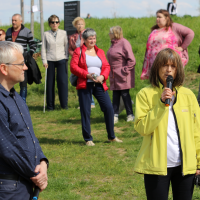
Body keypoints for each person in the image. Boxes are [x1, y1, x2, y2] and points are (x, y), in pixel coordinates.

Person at [134, 48, 200, 200]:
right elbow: (143, 128)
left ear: (178, 70)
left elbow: (197, 131)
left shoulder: (188, 95)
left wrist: (198, 163)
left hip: (185, 168)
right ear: (157, 67)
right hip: (156, 168)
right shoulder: (145, 94)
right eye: (164, 65)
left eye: (173, 66)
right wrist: (161, 103)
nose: (168, 70)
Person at [0, 41, 48, 199]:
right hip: (9, 188)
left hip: (25, 182)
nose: (26, 67)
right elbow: (7, 148)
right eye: (21, 64)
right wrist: (34, 174)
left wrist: (42, 162)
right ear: (4, 68)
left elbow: (29, 134)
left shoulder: (16, 97)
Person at [70, 28, 122, 146]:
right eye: (90, 39)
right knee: (86, 111)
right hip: (85, 84)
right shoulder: (79, 51)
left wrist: (103, 76)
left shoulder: (100, 51)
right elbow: (73, 67)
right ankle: (88, 138)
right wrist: (86, 75)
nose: (92, 40)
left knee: (109, 108)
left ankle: (111, 136)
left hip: (99, 84)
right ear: (84, 40)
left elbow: (107, 66)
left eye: (94, 38)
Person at [141, 9, 194, 80]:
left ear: (167, 18)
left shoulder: (173, 27)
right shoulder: (154, 31)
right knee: (157, 86)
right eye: (157, 17)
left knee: (170, 83)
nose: (157, 19)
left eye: (160, 17)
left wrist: (182, 47)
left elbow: (190, 33)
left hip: (170, 63)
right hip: (156, 64)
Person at [107, 26, 136, 124]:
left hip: (123, 74)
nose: (108, 35)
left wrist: (125, 70)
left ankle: (130, 115)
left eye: (110, 33)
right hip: (114, 74)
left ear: (114, 34)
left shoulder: (124, 43)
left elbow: (132, 60)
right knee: (115, 94)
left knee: (124, 94)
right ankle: (114, 115)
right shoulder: (113, 44)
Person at [6, 13, 36, 103]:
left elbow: (33, 45)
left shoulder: (27, 31)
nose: (13, 22)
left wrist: (29, 54)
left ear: (21, 21)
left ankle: (22, 103)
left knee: (23, 84)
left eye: (15, 20)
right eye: (12, 20)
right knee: (10, 82)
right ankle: (11, 102)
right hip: (10, 61)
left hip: (21, 62)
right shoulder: (8, 31)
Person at [41, 14, 68, 111]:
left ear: (59, 23)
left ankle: (64, 105)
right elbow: (43, 49)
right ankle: (50, 106)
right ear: (49, 24)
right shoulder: (46, 34)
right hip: (50, 60)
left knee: (62, 82)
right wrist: (44, 60)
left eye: (56, 22)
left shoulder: (64, 33)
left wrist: (66, 58)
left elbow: (66, 46)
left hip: (61, 59)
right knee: (50, 83)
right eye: (52, 22)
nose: (55, 24)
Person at [69, 17, 95, 108]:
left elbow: (92, 46)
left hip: (86, 60)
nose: (80, 26)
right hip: (77, 62)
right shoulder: (72, 37)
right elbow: (70, 49)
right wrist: (76, 55)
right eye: (78, 24)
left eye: (81, 24)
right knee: (77, 81)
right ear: (75, 25)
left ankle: (91, 103)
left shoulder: (88, 34)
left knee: (87, 81)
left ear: (84, 25)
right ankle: (83, 102)